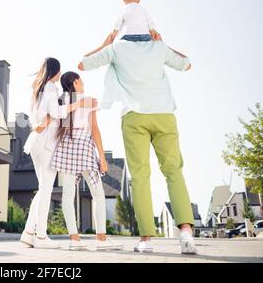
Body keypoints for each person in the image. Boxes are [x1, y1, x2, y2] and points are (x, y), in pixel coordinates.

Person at [78, 38, 198, 255]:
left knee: (140, 176)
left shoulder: (115, 48)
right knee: (174, 172)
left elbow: (83, 63)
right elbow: (187, 63)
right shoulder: (159, 46)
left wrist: (108, 39)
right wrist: (163, 42)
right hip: (163, 114)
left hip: (134, 116)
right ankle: (186, 232)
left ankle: (146, 240)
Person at [20, 57, 97, 249]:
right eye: (60, 70)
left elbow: (40, 117)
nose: (61, 74)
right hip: (46, 144)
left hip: (36, 142)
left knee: (42, 187)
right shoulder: (51, 88)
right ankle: (41, 236)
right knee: (46, 189)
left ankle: (29, 233)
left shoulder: (38, 88)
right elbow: (57, 112)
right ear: (54, 71)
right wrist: (79, 104)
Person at [51, 71, 124, 251]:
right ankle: (101, 238)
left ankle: (74, 240)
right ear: (75, 82)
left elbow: (61, 125)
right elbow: (95, 129)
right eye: (80, 79)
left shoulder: (61, 100)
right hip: (83, 146)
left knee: (67, 196)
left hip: (66, 147)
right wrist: (102, 157)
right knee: (97, 194)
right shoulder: (88, 100)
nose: (83, 82)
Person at [84, 0, 161, 57]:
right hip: (145, 38)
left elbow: (115, 29)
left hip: (129, 38)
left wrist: (106, 43)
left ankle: (93, 54)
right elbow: (151, 29)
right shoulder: (144, 10)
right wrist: (154, 38)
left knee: (118, 45)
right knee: (155, 40)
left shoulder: (123, 10)